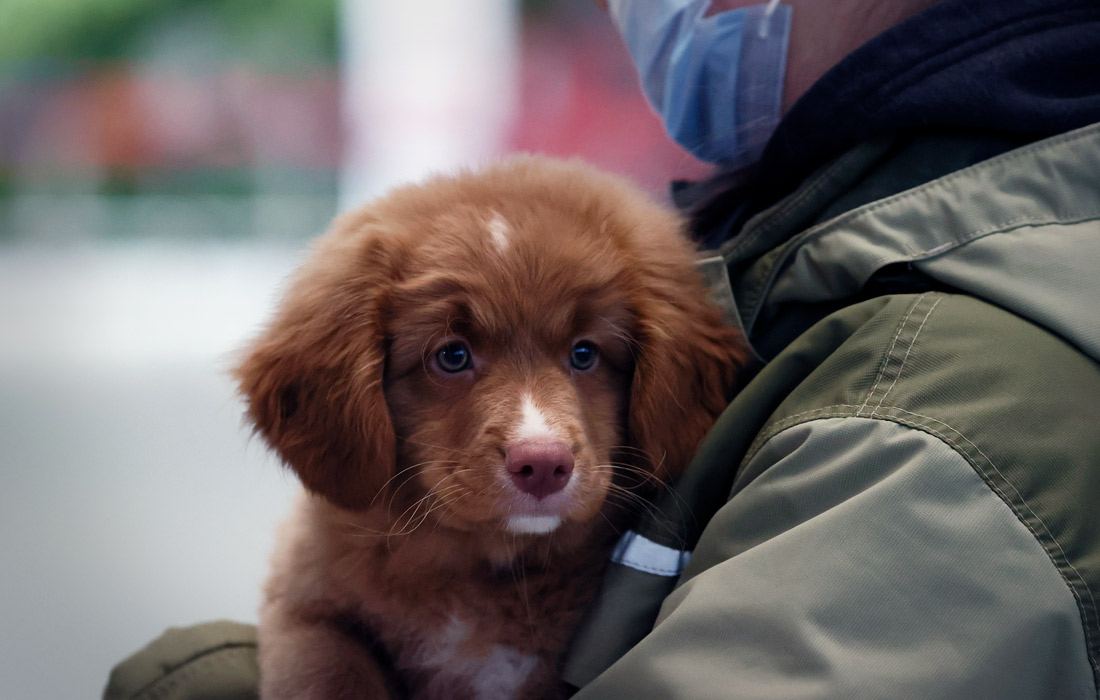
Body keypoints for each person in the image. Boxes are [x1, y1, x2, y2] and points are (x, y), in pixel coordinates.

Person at [105, 0, 1100, 697]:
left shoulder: (917, 424)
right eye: (451, 358)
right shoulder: (816, 257)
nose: (537, 432)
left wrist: (189, 682)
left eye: (590, 356)